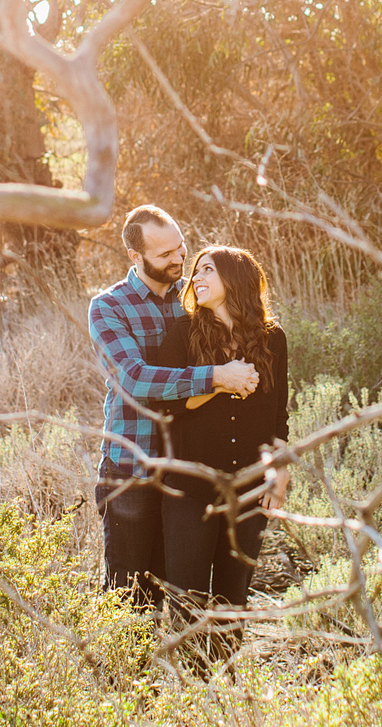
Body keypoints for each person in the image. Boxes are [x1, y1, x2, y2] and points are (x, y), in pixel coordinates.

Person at [89, 206, 259, 606]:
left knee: (182, 592)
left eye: (181, 248)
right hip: (133, 468)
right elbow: (134, 378)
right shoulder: (109, 307)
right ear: (136, 256)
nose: (179, 260)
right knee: (129, 598)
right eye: (165, 254)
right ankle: (124, 671)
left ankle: (187, 666)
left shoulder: (195, 298)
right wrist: (217, 376)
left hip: (187, 470)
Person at [146, 245, 290, 612]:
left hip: (248, 488)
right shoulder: (183, 333)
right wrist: (222, 382)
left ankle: (225, 670)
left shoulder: (273, 339)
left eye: (207, 270)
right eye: (196, 271)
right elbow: (168, 402)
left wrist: (281, 472)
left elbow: (278, 416)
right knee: (187, 598)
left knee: (233, 597)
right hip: (189, 489)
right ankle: (194, 671)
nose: (196, 278)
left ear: (234, 278)